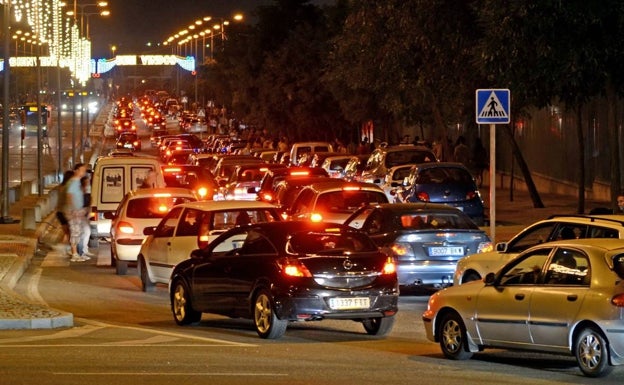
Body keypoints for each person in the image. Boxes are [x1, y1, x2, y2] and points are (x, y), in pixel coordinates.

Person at [64, 163, 90, 262]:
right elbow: (69, 196)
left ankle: (79, 253)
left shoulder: (77, 182)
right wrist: (74, 209)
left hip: (78, 211)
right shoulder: (74, 182)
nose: (83, 172)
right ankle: (74, 254)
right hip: (74, 211)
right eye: (82, 170)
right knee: (75, 232)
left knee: (80, 231)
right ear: (76, 170)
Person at [54, 170, 74, 255]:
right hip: (66, 212)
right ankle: (63, 247)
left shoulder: (61, 186)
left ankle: (65, 247)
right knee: (70, 232)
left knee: (67, 232)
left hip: (59, 212)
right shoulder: (68, 187)